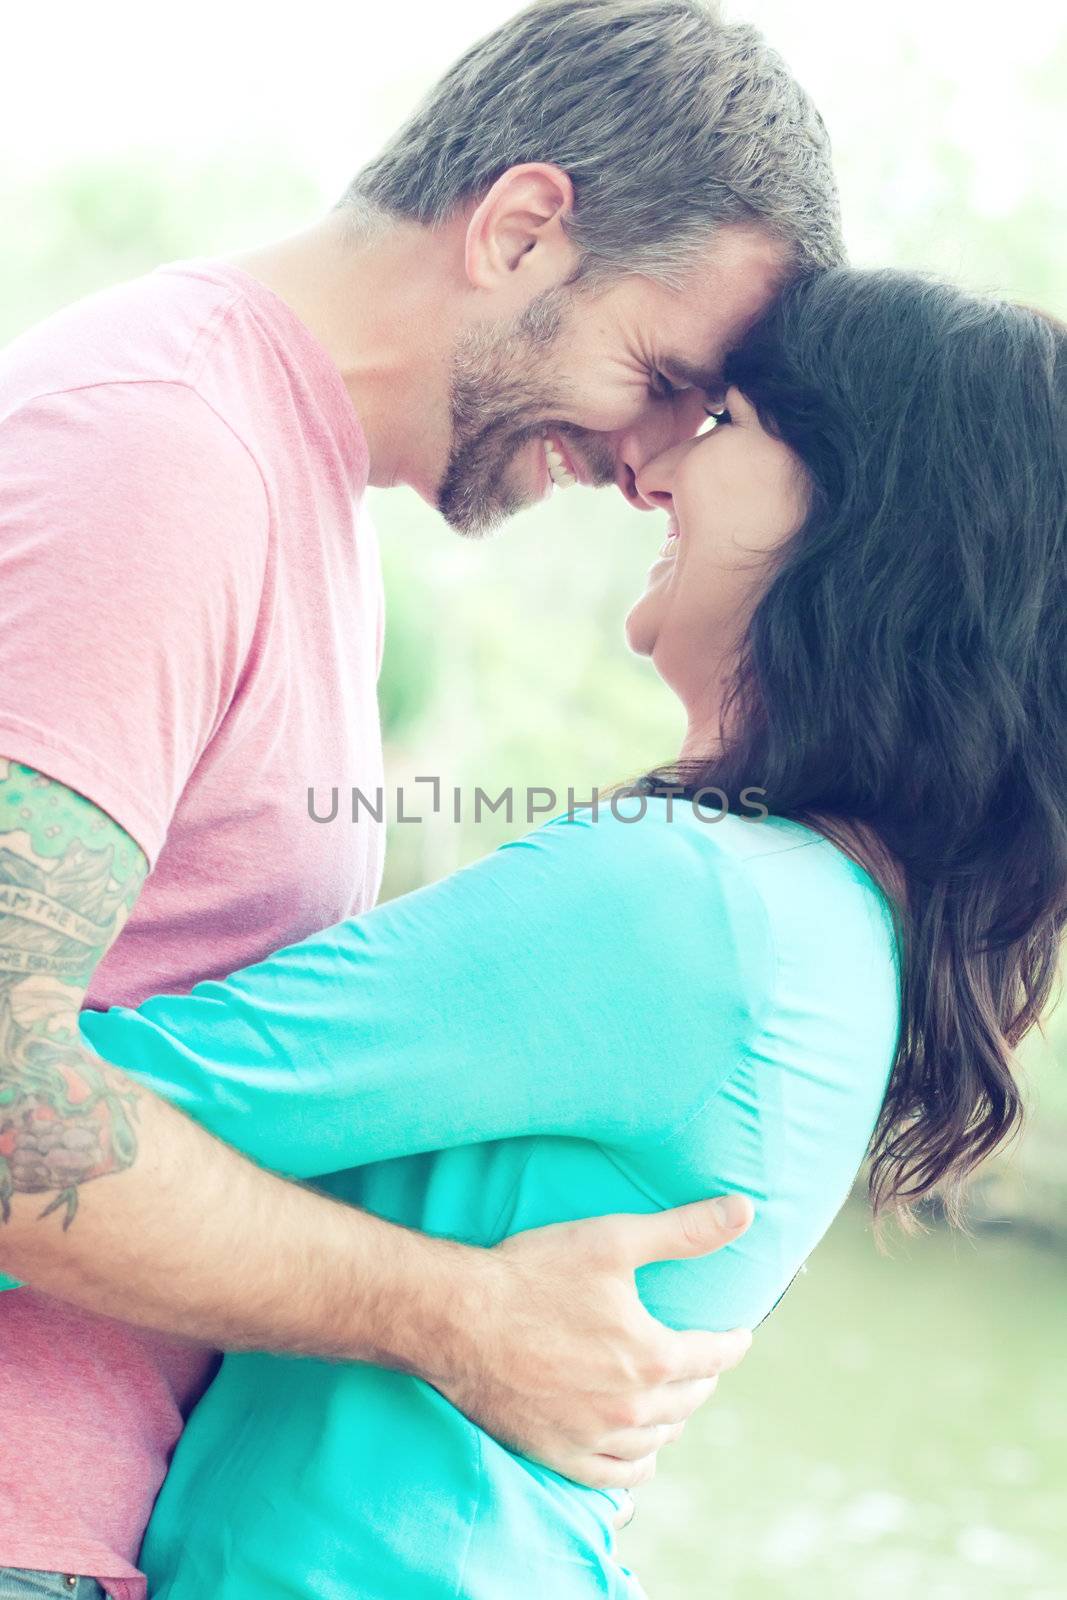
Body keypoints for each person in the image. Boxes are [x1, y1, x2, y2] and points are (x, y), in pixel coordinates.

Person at [0, 3, 842, 1596]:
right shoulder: (159, 450)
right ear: (522, 230)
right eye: (659, 375)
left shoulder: (295, 488)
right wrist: (456, 1317)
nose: (647, 463)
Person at [61, 268, 1067, 1597]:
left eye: (723, 427)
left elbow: (54, 1128)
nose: (650, 478)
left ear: (860, 520)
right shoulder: (840, 927)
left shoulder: (691, 907)